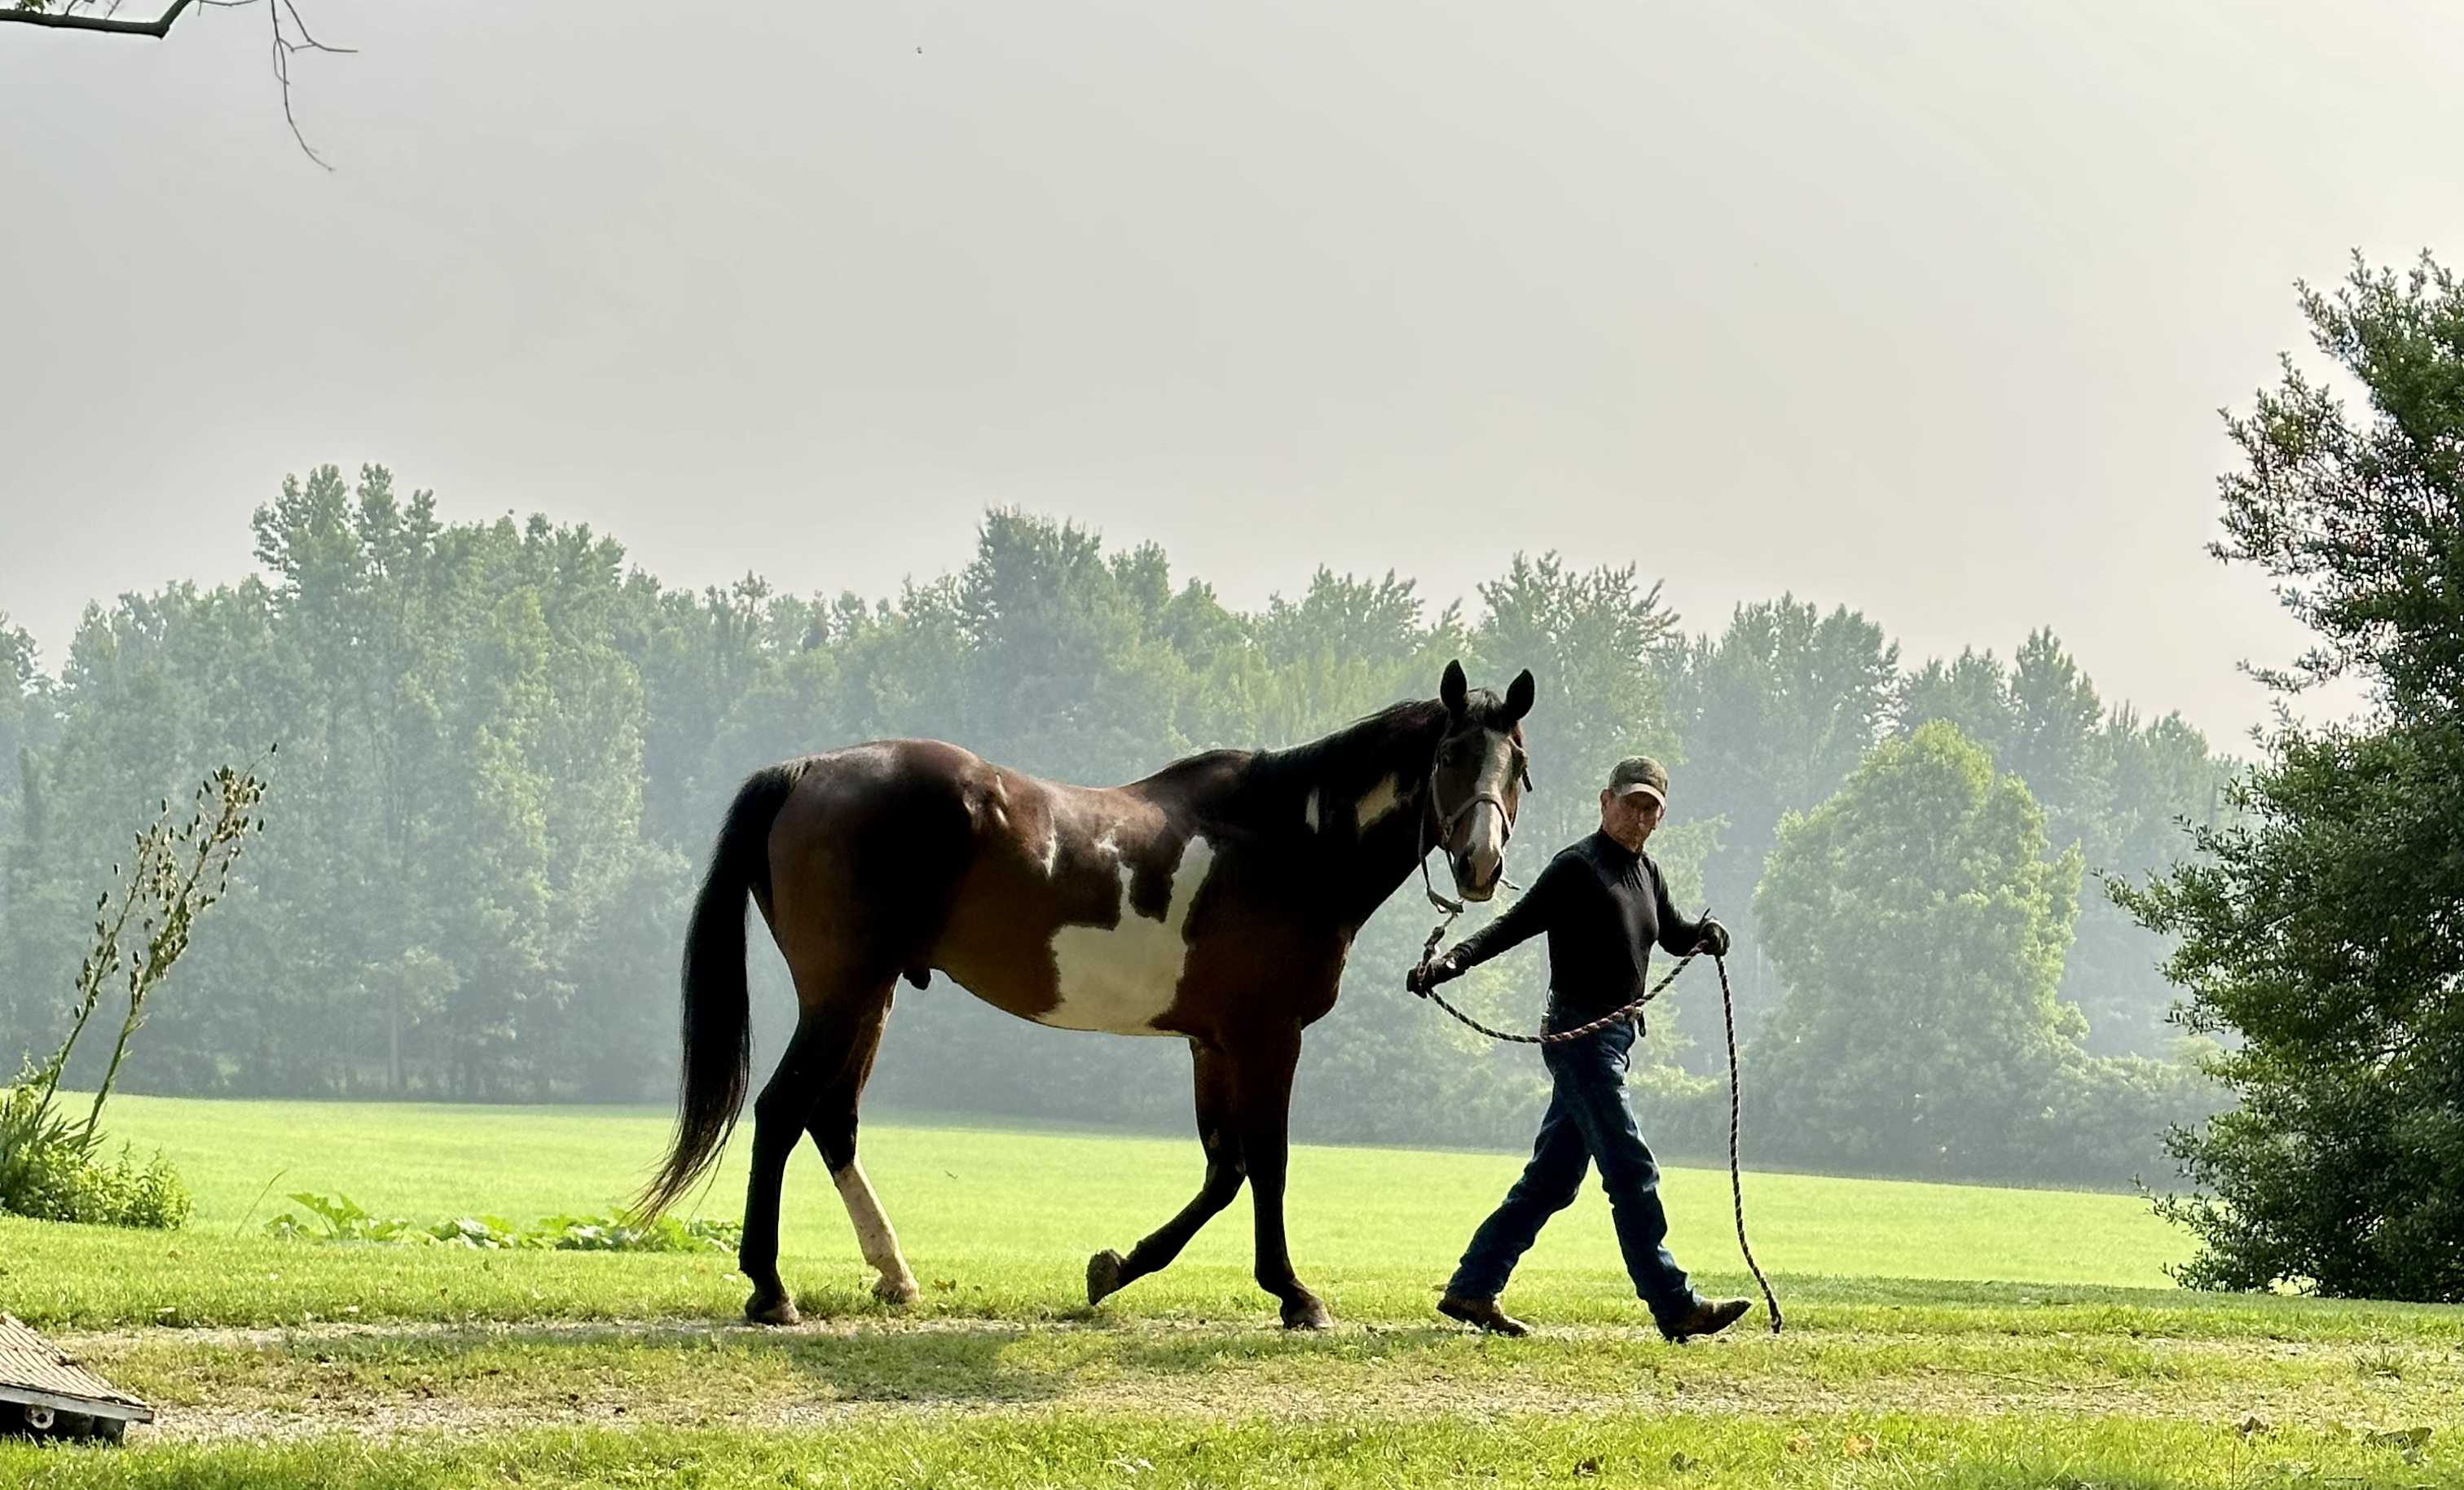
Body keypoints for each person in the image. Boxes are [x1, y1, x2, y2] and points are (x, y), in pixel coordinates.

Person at [1407, 755, 1751, 1342]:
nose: (1640, 817)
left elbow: (1669, 933)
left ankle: (1473, 1287)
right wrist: (1449, 963)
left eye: (1652, 808)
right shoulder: (1577, 866)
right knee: (1631, 1168)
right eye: (1632, 803)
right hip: (1579, 1039)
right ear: (1605, 800)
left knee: (1553, 1180)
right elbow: (1511, 925)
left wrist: (1703, 934)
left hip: (1614, 1040)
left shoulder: (1648, 874)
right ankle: (1675, 1304)